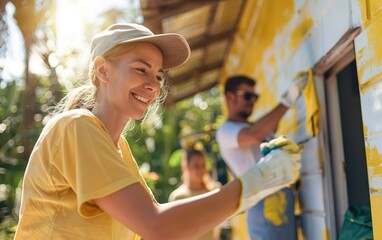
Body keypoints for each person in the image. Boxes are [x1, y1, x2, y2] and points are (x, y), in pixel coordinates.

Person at [14, 23, 302, 240]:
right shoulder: (76, 126)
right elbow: (157, 226)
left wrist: (258, 184)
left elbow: (152, 228)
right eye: (141, 70)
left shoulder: (118, 147)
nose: (153, 85)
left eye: (158, 76)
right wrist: (257, 181)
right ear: (103, 71)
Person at [216, 75, 307, 240]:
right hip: (262, 204)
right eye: (247, 96)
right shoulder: (226, 131)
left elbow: (264, 128)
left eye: (255, 97)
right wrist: (287, 100)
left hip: (279, 201)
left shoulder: (250, 127)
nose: (253, 101)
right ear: (230, 97)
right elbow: (255, 134)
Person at [169, 147, 222, 240]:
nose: (201, 169)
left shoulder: (214, 190)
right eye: (196, 165)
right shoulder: (178, 197)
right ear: (186, 166)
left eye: (203, 164)